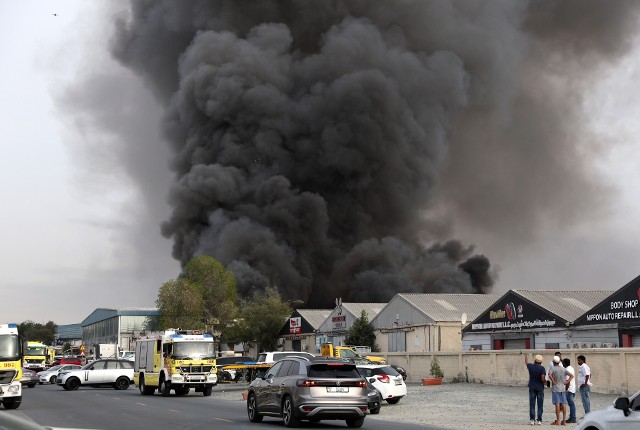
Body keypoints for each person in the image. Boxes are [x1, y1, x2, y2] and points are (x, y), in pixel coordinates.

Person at [549, 355, 572, 425]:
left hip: (556, 388)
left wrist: (553, 381)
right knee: (564, 404)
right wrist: (566, 382)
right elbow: (572, 375)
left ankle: (558, 420)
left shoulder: (553, 368)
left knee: (557, 404)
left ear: (553, 362)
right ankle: (564, 421)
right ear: (559, 362)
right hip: (562, 388)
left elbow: (550, 375)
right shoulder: (563, 369)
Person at [525, 353, 546, 425]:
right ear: (541, 361)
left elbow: (526, 363)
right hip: (540, 387)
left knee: (532, 404)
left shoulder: (530, 366)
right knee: (540, 404)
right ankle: (539, 420)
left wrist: (526, 355)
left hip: (532, 387)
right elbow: (543, 379)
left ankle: (532, 419)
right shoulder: (542, 368)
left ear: (535, 360)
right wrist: (545, 382)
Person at [562, 358, 576, 423]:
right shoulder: (571, 368)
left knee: (571, 404)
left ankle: (572, 418)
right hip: (573, 388)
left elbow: (568, 381)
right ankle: (572, 417)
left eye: (563, 363)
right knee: (571, 404)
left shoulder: (567, 369)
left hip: (569, 389)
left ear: (565, 363)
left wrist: (566, 390)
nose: (562, 363)